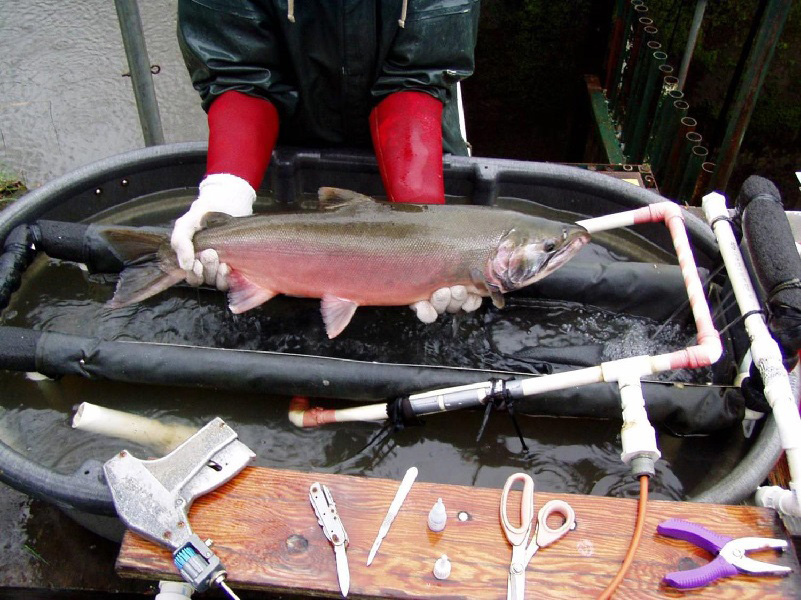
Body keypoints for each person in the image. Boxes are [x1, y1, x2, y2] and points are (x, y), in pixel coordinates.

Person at [170, 0, 483, 323]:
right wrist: (227, 191)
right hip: (272, 142)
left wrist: (427, 231)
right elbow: (238, 74)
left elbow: (417, 76)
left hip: (418, 144)